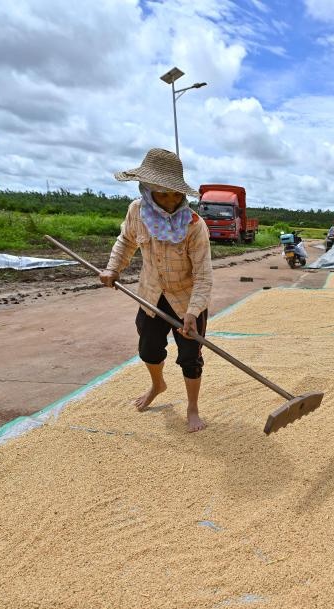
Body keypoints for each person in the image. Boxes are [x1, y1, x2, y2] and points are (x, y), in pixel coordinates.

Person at [99, 148, 213, 432]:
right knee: (149, 350)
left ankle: (193, 408)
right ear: (147, 190)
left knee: (190, 357)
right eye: (163, 194)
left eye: (176, 194)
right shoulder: (136, 212)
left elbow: (203, 275)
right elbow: (126, 242)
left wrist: (193, 312)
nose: (171, 201)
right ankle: (157, 384)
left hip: (187, 299)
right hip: (151, 295)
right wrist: (113, 269)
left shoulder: (194, 226)